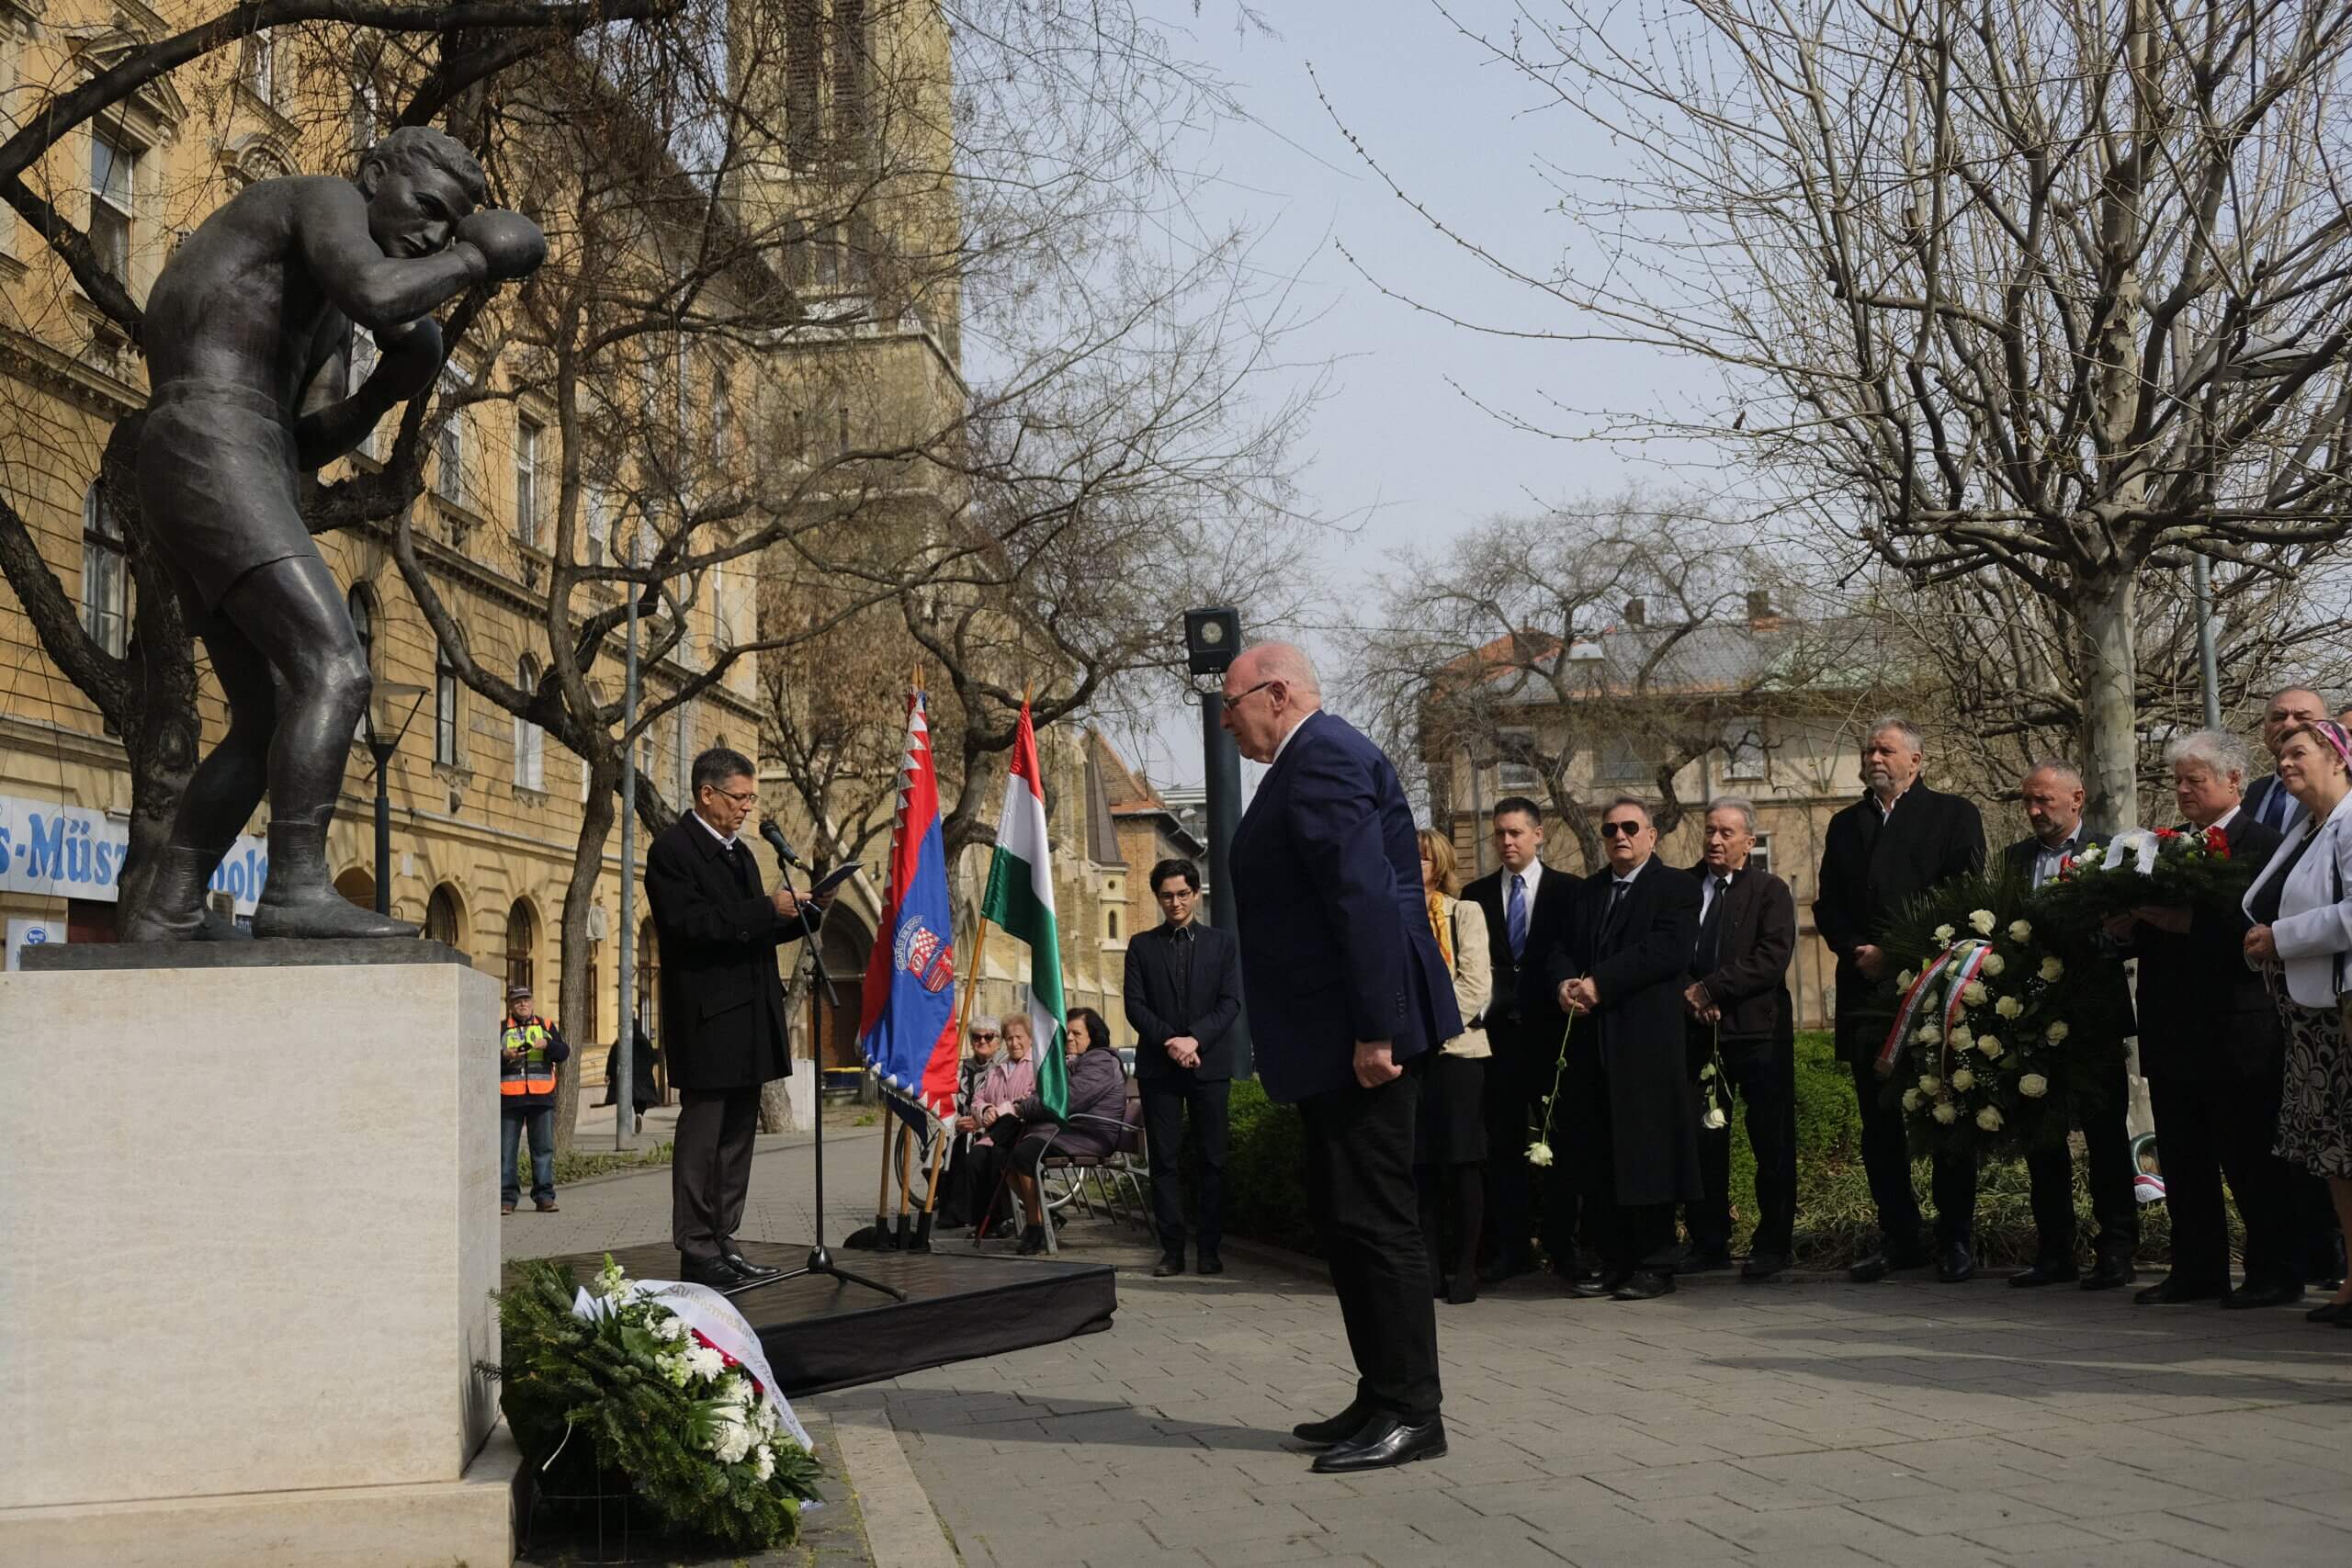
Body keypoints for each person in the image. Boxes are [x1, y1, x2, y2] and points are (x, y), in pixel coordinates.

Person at [119, 127, 546, 942]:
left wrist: (386, 392)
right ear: (373, 171)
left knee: (269, 712)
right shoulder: (316, 198)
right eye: (426, 210)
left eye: (450, 227)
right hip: (209, 439)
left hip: (229, 453)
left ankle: (166, 906)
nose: (431, 235)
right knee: (337, 667)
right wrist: (475, 259)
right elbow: (379, 293)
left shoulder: (306, 301)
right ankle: (294, 887)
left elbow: (301, 438)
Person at [1223, 641, 1457, 1474]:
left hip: (1362, 1038)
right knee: (1343, 1215)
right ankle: (1380, 1389)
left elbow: (1362, 898)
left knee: (1376, 1216)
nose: (1227, 720)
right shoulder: (1309, 759)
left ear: (1276, 692)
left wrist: (1377, 1029)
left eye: (1232, 703)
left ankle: (1413, 1410)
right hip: (1333, 1039)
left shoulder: (1321, 757)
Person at [2118, 731, 2301, 1308]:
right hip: (2172, 1025)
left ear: (2232, 781)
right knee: (2183, 1154)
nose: (2183, 790)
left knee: (2249, 1157)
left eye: (2195, 779)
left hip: (2239, 1029)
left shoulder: (2266, 843)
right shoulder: (2163, 846)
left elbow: (2258, 934)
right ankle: (2197, 1268)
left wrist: (2183, 923)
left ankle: (2275, 1271)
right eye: (2177, 781)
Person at [645, 748, 834, 1290]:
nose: (748, 807)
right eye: (740, 797)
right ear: (707, 794)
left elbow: (752, 931)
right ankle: (696, 1247)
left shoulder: (743, 856)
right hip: (707, 1020)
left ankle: (725, 1239)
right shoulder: (673, 851)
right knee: (703, 1139)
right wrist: (764, 910)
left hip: (750, 1018)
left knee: (736, 1141)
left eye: (752, 798)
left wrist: (804, 913)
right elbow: (692, 926)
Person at [1813, 716, 1986, 1282]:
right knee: (1879, 1124)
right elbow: (1828, 904)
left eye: (1886, 750)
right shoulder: (1845, 824)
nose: (1875, 758)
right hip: (1865, 991)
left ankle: (1956, 1236)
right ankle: (1899, 1236)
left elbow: (1962, 894)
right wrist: (1856, 947)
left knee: (1945, 1114)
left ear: (1916, 760)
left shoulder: (1952, 815)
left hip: (1932, 989)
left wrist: (1897, 951)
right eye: (1869, 750)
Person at [1969, 762, 2140, 1289]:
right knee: (2042, 1140)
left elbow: (2128, 937)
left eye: (2044, 800)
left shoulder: (2112, 853)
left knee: (2105, 1137)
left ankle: (2115, 1249)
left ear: (2077, 799)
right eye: (2028, 801)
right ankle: (2054, 1250)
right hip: (2030, 1019)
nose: (2035, 811)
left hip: (2092, 1020)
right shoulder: (2014, 860)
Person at [1544, 796, 1703, 1301]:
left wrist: (1601, 984)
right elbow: (1560, 947)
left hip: (1646, 1044)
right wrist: (1566, 983)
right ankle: (1613, 1260)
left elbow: (1666, 951)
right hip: (1593, 1044)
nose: (1620, 836)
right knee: (1599, 1155)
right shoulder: (1588, 892)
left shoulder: (1675, 887)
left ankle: (1656, 1263)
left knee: (1649, 1153)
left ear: (1652, 835)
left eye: (1630, 827)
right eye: (1610, 829)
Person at [2241, 719, 2352, 1326]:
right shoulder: (2306, 829)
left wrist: (2280, 938)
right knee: (2336, 1156)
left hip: (2343, 1011)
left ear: (2338, 758)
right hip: (2311, 1018)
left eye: (2299, 752)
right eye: (2280, 754)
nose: (2284, 763)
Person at [1459, 797, 1582, 1284]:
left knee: (1559, 1143)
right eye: (1499, 835)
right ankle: (1511, 1248)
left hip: (1550, 1032)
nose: (1506, 843)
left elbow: (1572, 953)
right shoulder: (1476, 894)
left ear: (1539, 834)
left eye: (1515, 833)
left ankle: (1564, 1246)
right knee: (1504, 1145)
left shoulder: (1569, 892)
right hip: (1498, 1039)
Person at [1679, 796, 1799, 1280]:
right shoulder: (1683, 889)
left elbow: (1770, 958)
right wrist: (1691, 995)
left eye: (1727, 833)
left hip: (1758, 1035)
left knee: (1771, 1140)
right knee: (1704, 1141)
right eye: (1710, 830)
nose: (1714, 840)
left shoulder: (1769, 891)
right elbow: (1669, 950)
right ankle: (1708, 1242)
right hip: (1698, 1032)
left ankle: (1773, 1244)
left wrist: (1712, 988)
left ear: (1749, 842)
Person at [1124, 857, 1244, 1278]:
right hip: (1160, 1068)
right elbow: (1135, 1006)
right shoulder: (1141, 945)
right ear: (1157, 898)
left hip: (1209, 1066)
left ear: (1195, 893)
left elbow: (1230, 1002)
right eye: (1166, 896)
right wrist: (1171, 1042)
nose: (1175, 902)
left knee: (1213, 1160)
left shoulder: (1222, 943)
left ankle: (1208, 1250)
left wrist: (1195, 1039)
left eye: (1182, 894)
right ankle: (1172, 1250)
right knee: (1165, 1161)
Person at [1415, 829, 1492, 1305]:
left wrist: (1433, 1027)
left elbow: (1476, 984)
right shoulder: (1392, 917)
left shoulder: (1464, 912)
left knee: (1463, 1164)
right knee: (1419, 1167)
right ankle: (1428, 1268)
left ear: (1440, 863)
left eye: (1423, 858)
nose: (1416, 865)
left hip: (1459, 1052)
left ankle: (1466, 1267)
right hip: (1412, 1059)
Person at [1001, 1007, 1128, 1255]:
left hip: (1089, 1135)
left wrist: (1024, 1108)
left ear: (1094, 1036)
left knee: (1025, 1156)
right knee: (1003, 1154)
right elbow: (1046, 1092)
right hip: (1071, 1131)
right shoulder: (1077, 1061)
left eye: (1076, 1033)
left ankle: (1036, 1228)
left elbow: (1066, 1099)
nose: (1069, 1038)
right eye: (1066, 1032)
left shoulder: (1100, 1061)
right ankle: (1045, 1218)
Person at [498, 984, 571, 1215]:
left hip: (541, 1097)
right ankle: (507, 1199)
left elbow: (563, 1053)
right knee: (505, 1151)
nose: (523, 1004)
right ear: (510, 1004)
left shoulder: (546, 1025)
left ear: (532, 1002)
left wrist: (548, 1044)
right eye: (518, 1000)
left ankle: (544, 1198)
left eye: (526, 1000)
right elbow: (483, 1058)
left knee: (543, 1149)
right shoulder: (500, 1028)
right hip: (510, 1098)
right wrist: (503, 1055)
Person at [2243, 687, 2333, 836]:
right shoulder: (2248, 794)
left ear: (2327, 730)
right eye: (2279, 717)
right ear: (2265, 730)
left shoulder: (2341, 796)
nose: (2288, 724)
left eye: (2302, 717)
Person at [595, 1015, 661, 1134]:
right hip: (642, 1078)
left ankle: (625, 1124)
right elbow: (653, 1057)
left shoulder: (621, 1041)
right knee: (640, 1100)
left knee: (625, 1098)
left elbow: (613, 1057)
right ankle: (639, 1114)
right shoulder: (644, 1041)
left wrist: (608, 1073)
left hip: (625, 1077)